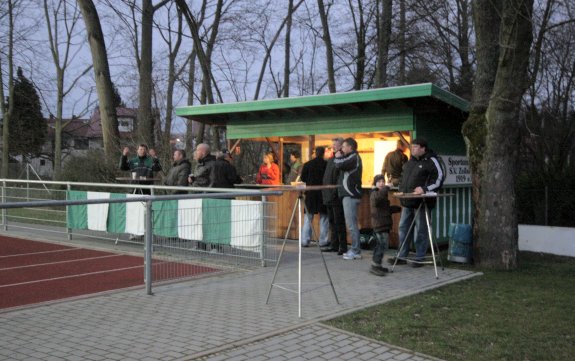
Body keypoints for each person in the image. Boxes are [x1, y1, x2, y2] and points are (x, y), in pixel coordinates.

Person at [388, 137, 444, 267]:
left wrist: (424, 189)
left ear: (423, 148)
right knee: (403, 228)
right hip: (407, 201)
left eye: (415, 147)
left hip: (422, 202)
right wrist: (401, 189)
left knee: (421, 230)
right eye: (412, 147)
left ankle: (420, 257)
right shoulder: (409, 162)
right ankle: (401, 255)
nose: (412, 149)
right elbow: (403, 178)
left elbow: (439, 179)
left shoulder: (432, 160)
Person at [333, 137, 363, 260]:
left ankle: (355, 250)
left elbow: (339, 164)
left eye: (344, 146)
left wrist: (338, 156)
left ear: (351, 147)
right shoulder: (351, 157)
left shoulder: (353, 157)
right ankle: (355, 249)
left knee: (351, 225)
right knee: (351, 224)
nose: (342, 148)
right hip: (348, 195)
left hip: (350, 195)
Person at [369, 174, 401, 276]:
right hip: (379, 225)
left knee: (382, 245)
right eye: (379, 182)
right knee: (381, 245)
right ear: (375, 184)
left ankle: (377, 265)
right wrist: (387, 187)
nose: (382, 183)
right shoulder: (374, 193)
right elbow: (378, 199)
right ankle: (375, 265)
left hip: (383, 224)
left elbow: (383, 210)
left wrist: (395, 209)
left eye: (383, 181)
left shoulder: (381, 193)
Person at [321, 138, 347, 255]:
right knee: (332, 222)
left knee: (339, 222)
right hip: (328, 196)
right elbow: (327, 177)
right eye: (333, 145)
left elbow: (339, 178)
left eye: (335, 145)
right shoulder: (331, 160)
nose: (333, 147)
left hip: (336, 197)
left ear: (341, 146)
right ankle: (334, 244)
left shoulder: (341, 160)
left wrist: (334, 193)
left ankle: (342, 246)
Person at [300, 147, 329, 248]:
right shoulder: (327, 165)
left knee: (308, 218)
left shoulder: (308, 164)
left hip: (310, 194)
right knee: (324, 218)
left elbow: (302, 178)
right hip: (323, 194)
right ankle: (323, 241)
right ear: (323, 153)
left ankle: (305, 240)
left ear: (315, 153)